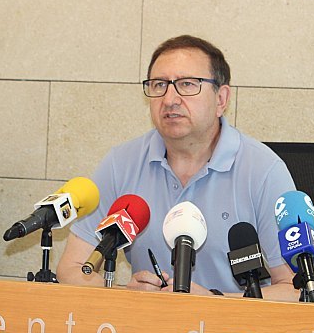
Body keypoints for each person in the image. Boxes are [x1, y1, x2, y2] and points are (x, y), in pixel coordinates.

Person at [56, 35, 299, 301]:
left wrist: (215, 301)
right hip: (145, 323)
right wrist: (127, 296)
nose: (170, 98)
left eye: (187, 84)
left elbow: (295, 289)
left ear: (221, 99)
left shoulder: (263, 171)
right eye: (159, 85)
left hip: (232, 326)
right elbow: (71, 269)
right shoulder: (121, 163)